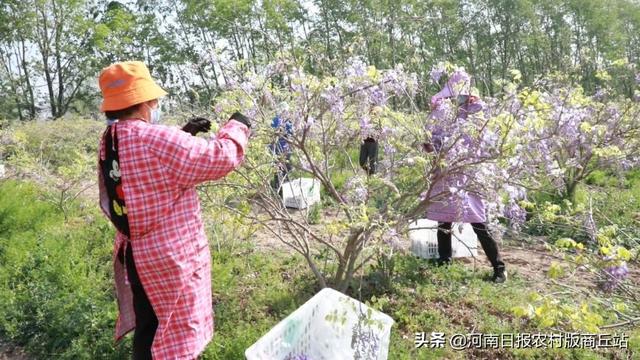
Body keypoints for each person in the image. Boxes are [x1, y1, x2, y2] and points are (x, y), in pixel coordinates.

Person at [97, 61, 251, 359]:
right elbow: (220, 158)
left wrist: (185, 134)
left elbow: (147, 174)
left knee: (149, 328)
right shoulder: (156, 138)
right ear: (145, 101)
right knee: (176, 336)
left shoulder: (111, 140)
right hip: (170, 260)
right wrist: (238, 124)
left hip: (137, 255)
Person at [423, 71, 507, 283]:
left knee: (478, 221)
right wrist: (430, 146)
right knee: (444, 220)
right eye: (453, 95)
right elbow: (432, 139)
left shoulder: (476, 110)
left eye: (460, 95)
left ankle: (499, 268)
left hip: (467, 173)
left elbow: (483, 139)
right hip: (445, 172)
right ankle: (444, 262)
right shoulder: (442, 110)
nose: (456, 100)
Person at [269, 110, 293, 195]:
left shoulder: (274, 120)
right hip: (283, 149)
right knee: (285, 169)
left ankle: (278, 188)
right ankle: (284, 190)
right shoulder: (286, 121)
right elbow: (291, 133)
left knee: (277, 169)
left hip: (275, 150)